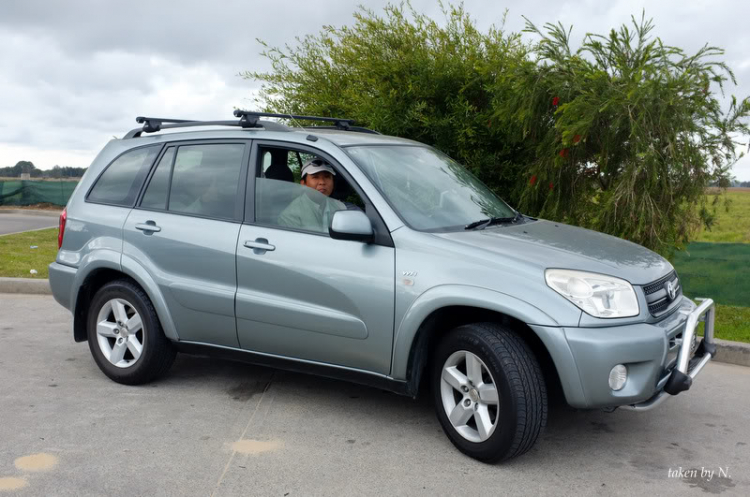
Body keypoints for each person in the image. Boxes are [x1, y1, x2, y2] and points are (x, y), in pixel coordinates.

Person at [278, 158, 347, 232]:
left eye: (327, 177)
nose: (322, 182)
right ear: (303, 184)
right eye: (315, 177)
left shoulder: (340, 207)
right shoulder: (290, 215)